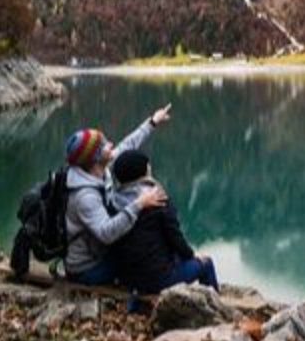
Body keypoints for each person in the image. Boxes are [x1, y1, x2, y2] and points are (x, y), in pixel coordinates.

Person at [62, 104, 172, 285]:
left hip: (99, 252)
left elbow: (127, 145)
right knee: (143, 260)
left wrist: (152, 122)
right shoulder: (85, 196)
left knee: (143, 249)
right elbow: (106, 233)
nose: (111, 145)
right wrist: (139, 203)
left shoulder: (98, 168)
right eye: (105, 145)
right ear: (95, 157)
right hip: (86, 268)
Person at [107, 150, 218, 294]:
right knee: (206, 264)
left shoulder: (113, 201)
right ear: (145, 170)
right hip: (157, 279)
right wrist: (191, 255)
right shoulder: (157, 198)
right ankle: (215, 309)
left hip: (126, 277)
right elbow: (175, 237)